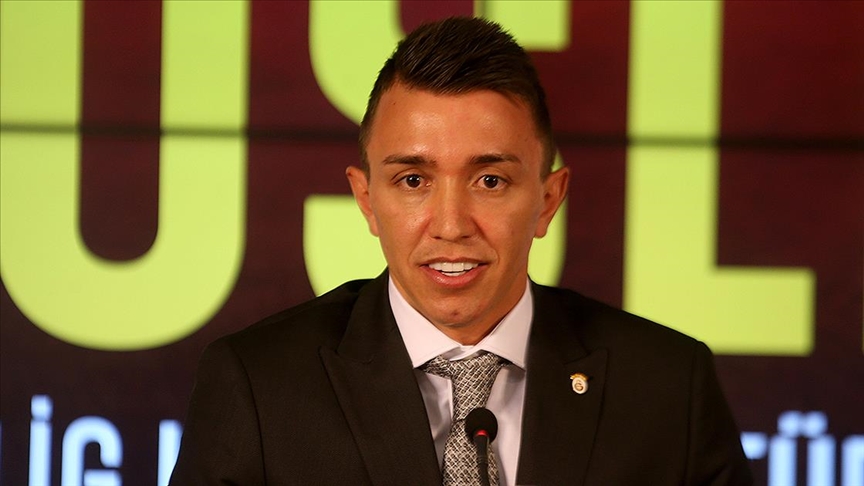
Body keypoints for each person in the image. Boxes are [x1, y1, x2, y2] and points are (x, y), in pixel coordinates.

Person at [169, 17, 752, 486]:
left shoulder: (668, 387)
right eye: (413, 181)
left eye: (490, 181)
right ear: (367, 200)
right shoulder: (258, 386)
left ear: (548, 200)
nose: (450, 226)